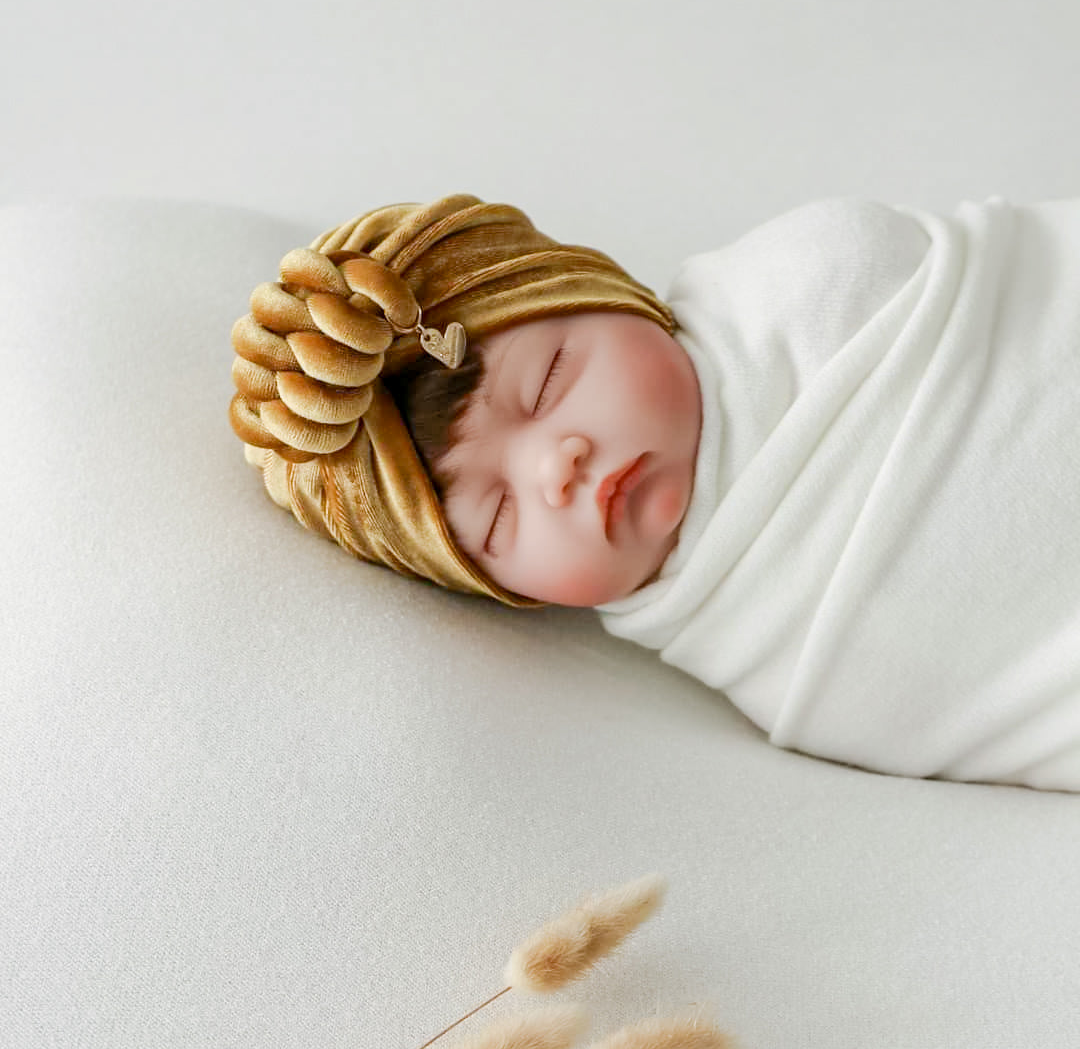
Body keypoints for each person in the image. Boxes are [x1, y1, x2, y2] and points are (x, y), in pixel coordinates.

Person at [230, 190, 1080, 795]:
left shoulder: (814, 280)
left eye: (550, 381)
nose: (554, 468)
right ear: (503, 592)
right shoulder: (778, 665)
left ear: (607, 296)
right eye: (498, 515)